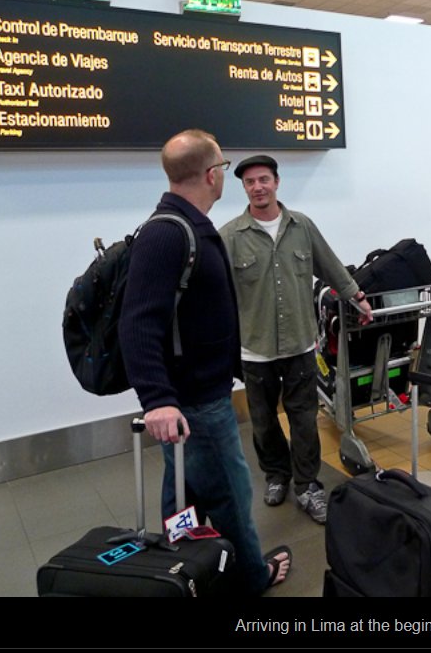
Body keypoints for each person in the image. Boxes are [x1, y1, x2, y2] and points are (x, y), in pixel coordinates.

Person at [119, 130, 291, 593]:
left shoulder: (190, 226)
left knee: (185, 494)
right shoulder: (167, 233)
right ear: (213, 174)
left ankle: (188, 568)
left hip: (197, 397)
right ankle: (251, 577)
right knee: (233, 495)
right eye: (223, 166)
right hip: (194, 401)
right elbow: (137, 324)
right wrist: (157, 399)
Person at [220, 155, 372, 525]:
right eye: (250, 182)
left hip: (301, 344)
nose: (258, 187)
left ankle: (307, 485)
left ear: (276, 182)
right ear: (243, 188)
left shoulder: (301, 226)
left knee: (304, 418)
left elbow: (330, 265)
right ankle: (276, 474)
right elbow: (217, 292)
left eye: (264, 179)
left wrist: (358, 297)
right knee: (262, 420)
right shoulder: (229, 237)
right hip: (254, 349)